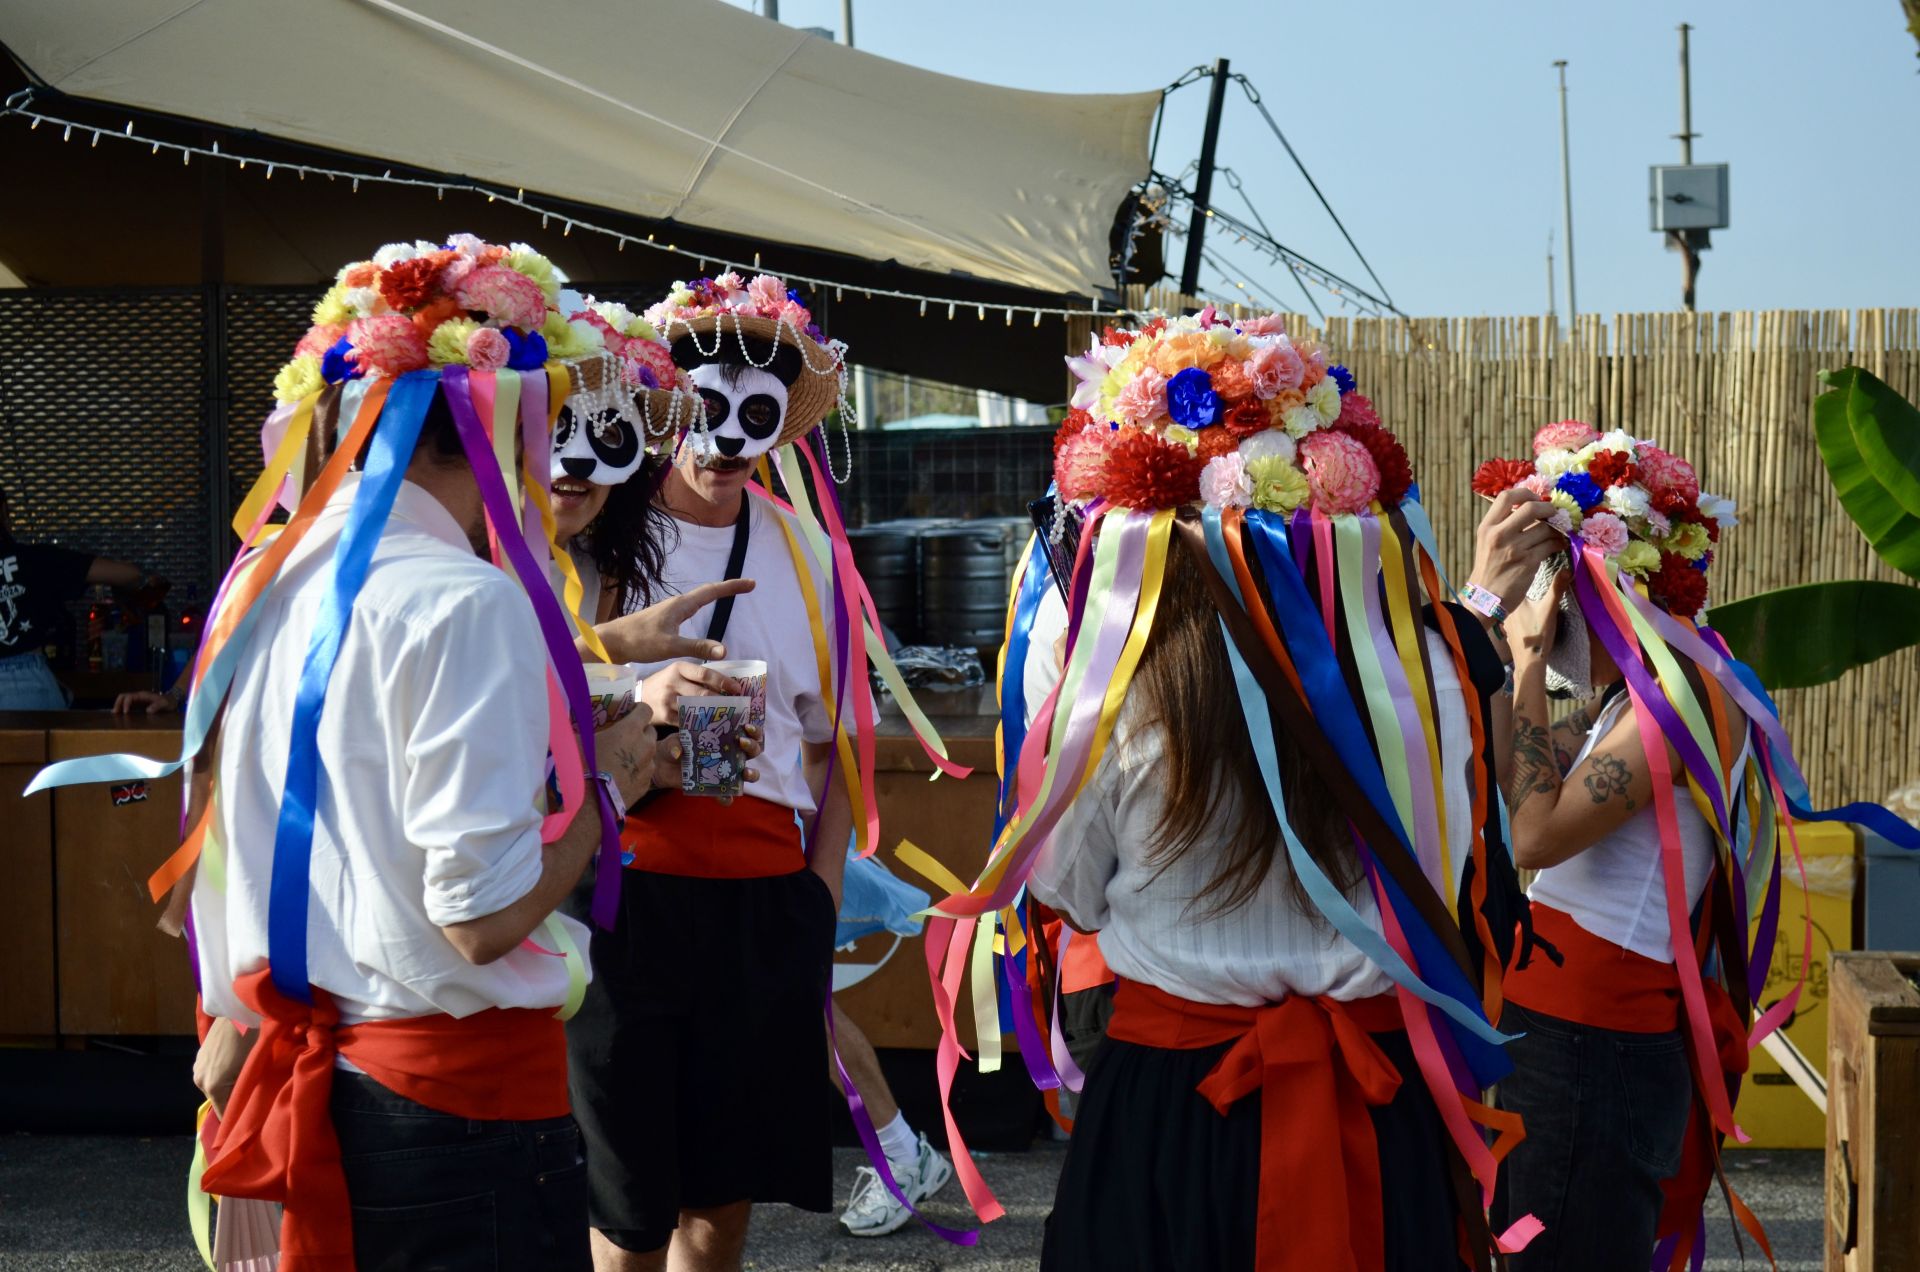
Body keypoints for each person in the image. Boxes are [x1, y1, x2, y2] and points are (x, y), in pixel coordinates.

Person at [27, 236, 743, 1271]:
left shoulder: (274, 577)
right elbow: (479, 918)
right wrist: (614, 787)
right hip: (455, 1115)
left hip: (332, 1082)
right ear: (501, 418)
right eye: (548, 417)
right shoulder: (466, 600)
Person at [939, 311, 1555, 1270]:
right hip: (1379, 1100)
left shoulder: (1112, 695)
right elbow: (1458, 863)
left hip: (1173, 1108)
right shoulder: (1427, 672)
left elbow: (1064, 890)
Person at [564, 272, 868, 1272]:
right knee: (626, 1212)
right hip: (623, 896)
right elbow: (534, 696)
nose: (728, 435)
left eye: (756, 412)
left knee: (721, 1208)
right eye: (703, 405)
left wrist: (818, 900)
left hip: (760, 906)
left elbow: (838, 748)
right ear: (662, 404)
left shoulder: (807, 552)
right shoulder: (598, 531)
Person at [1473, 426, 1763, 1269]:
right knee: (1532, 1241)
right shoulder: (1633, 701)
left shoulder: (1682, 705)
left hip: (1591, 1048)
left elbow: (1533, 833)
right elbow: (1512, 765)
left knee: (1560, 1250)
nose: (1554, 616)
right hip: (1565, 1035)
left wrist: (1529, 663)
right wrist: (1496, 640)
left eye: (1562, 590)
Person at [0, 486, 168, 709]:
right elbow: (130, 575)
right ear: (5, 512)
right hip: (25, 684)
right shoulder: (35, 560)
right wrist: (130, 593)